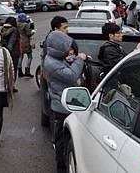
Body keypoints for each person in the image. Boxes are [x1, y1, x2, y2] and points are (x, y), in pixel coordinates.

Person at [43, 30, 87, 173]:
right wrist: (79, 60)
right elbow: (72, 75)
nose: (69, 50)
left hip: (69, 102)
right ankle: (61, 167)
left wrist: (73, 59)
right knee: (61, 139)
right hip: (62, 107)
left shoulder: (55, 58)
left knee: (69, 138)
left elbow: (65, 64)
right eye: (66, 47)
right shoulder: (50, 63)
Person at [0, 16, 20, 91]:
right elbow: (12, 42)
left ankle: (3, 85)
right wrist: (9, 50)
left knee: (3, 69)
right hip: (13, 53)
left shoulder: (1, 29)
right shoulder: (14, 30)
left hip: (2, 52)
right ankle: (11, 86)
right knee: (13, 70)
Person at [17, 13, 36, 78]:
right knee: (30, 56)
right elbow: (28, 33)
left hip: (19, 41)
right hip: (25, 41)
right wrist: (33, 31)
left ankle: (19, 71)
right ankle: (27, 71)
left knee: (20, 56)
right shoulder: (25, 25)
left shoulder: (17, 24)